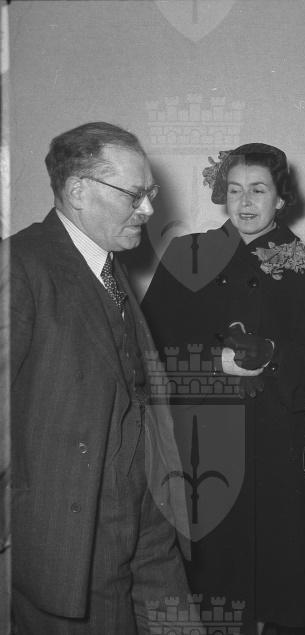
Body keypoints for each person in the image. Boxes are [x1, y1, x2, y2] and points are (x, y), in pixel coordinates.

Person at [141, 142, 305, 634]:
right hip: (201, 441)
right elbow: (147, 350)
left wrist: (274, 355)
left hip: (275, 446)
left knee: (271, 584)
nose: (244, 202)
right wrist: (213, 363)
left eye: (258, 190)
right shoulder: (187, 254)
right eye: (234, 189)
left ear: (281, 198)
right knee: (211, 582)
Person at [2, 122, 191, 634]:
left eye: (150, 193)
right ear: (78, 190)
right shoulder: (18, 265)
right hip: (71, 528)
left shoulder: (109, 266)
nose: (148, 209)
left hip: (150, 509)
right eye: (134, 194)